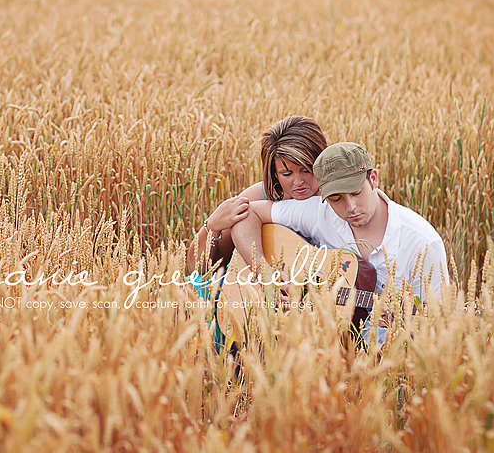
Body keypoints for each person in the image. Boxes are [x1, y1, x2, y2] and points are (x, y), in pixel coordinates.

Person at [230, 142, 450, 346]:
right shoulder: (319, 212)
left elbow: (439, 325)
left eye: (356, 193)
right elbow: (246, 215)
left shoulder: (423, 243)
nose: (351, 206)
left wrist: (405, 326)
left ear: (373, 178)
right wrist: (264, 272)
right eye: (337, 199)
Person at [185, 115, 328, 353]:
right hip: (245, 318)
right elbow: (195, 268)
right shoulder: (260, 197)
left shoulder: (341, 201)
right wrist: (213, 226)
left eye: (307, 169)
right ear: (273, 173)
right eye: (286, 173)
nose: (298, 181)